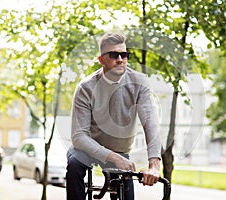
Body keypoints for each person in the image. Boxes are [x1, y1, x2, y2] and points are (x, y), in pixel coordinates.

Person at [66, 32, 161, 200]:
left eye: (124, 55)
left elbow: (151, 123)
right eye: (113, 55)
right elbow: (79, 136)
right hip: (88, 148)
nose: (120, 59)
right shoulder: (85, 88)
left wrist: (154, 165)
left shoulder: (140, 83)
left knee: (126, 193)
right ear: (101, 60)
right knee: (74, 165)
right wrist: (112, 157)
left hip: (120, 149)